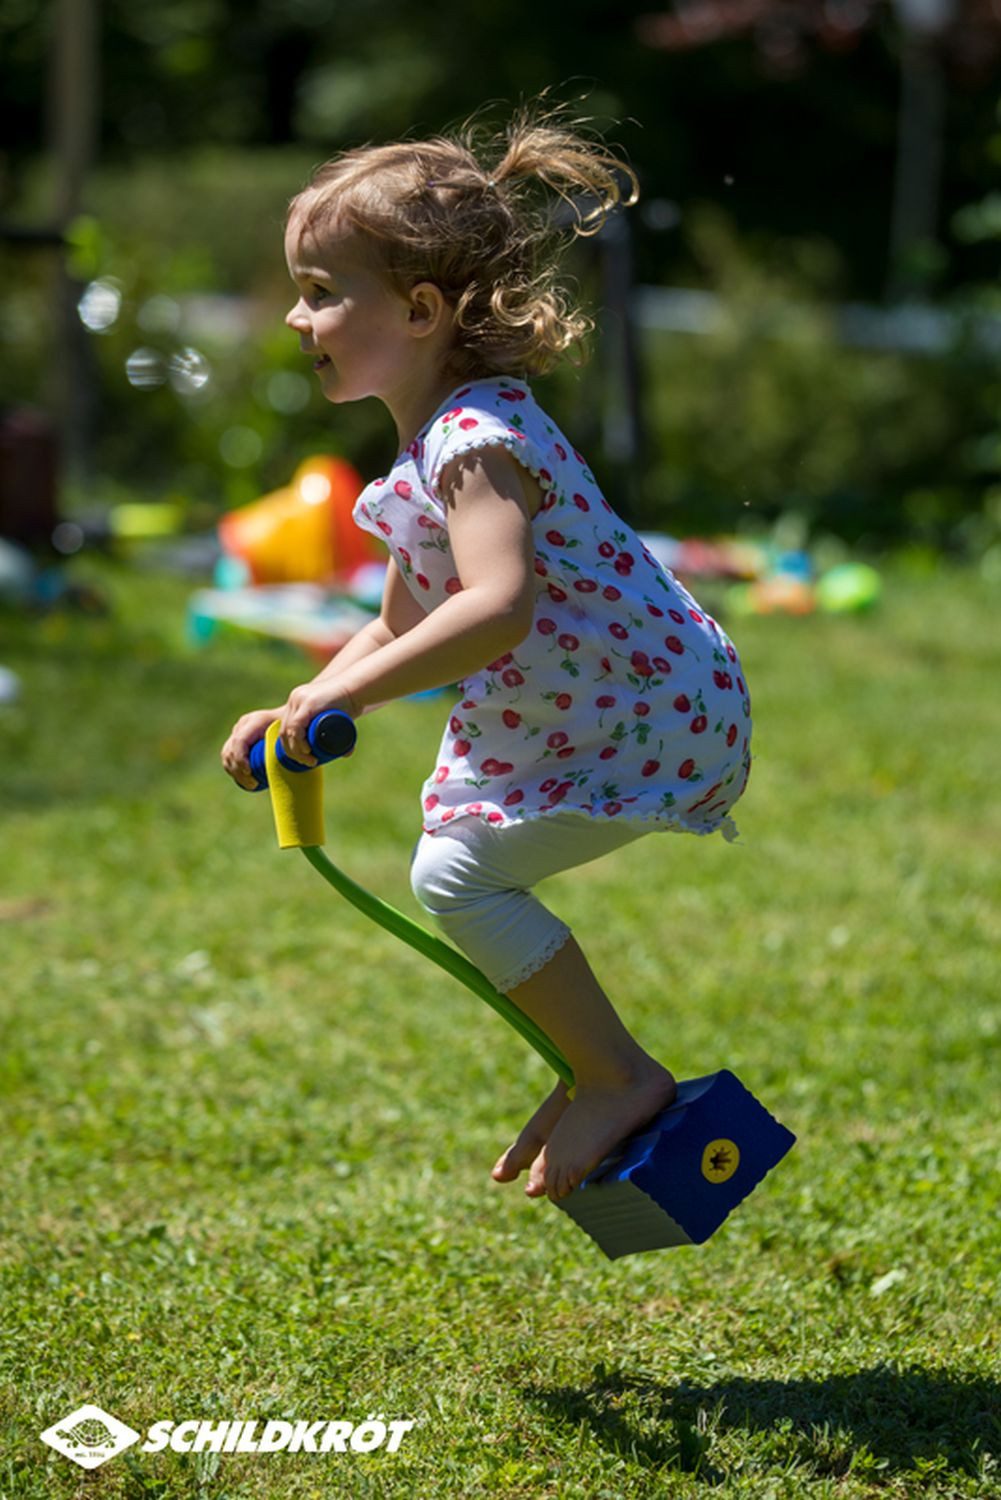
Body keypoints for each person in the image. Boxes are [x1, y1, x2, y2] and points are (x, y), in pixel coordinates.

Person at [221, 100, 752, 1205]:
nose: (293, 317)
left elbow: (497, 606)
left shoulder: (474, 441)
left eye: (321, 294)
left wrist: (352, 704)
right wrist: (301, 701)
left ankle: (613, 1071)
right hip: (611, 705)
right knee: (455, 868)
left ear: (417, 309)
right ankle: (595, 1062)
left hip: (641, 709)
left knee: (454, 873)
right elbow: (404, 625)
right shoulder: (430, 453)